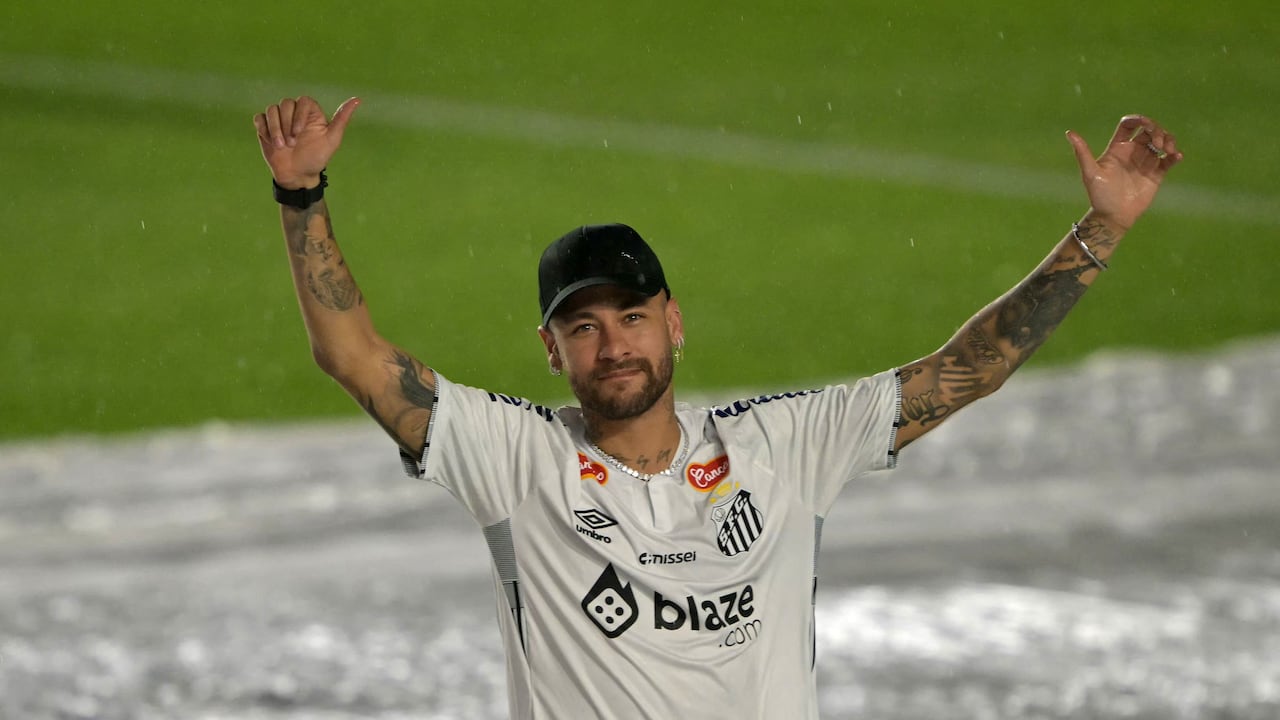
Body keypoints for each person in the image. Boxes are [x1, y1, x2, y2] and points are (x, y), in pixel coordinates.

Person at [253, 96, 1182, 719]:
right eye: (583, 327)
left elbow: (968, 369)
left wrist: (1101, 228)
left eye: (632, 316)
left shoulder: (782, 446)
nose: (614, 344)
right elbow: (353, 356)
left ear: (674, 323)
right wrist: (301, 193)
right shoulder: (515, 458)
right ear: (551, 349)